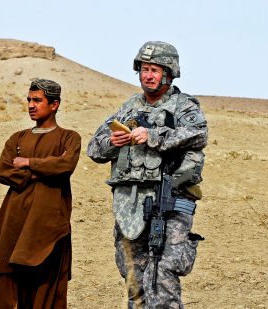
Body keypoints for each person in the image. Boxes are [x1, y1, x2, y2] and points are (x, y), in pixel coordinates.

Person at [87, 41, 208, 308]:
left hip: (171, 204)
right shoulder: (128, 109)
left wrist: (152, 135)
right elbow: (94, 147)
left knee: (163, 278)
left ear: (169, 73)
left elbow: (198, 133)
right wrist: (113, 141)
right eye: (144, 69)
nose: (148, 75)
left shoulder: (185, 107)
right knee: (135, 281)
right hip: (130, 207)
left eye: (154, 70)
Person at [0, 79, 81, 309]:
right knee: (8, 286)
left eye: (37, 100)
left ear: (54, 104)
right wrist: (40, 172)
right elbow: (4, 172)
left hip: (49, 226)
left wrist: (28, 162)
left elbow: (65, 165)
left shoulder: (69, 137)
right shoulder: (17, 138)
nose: (30, 105)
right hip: (14, 223)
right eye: (29, 100)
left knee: (46, 290)